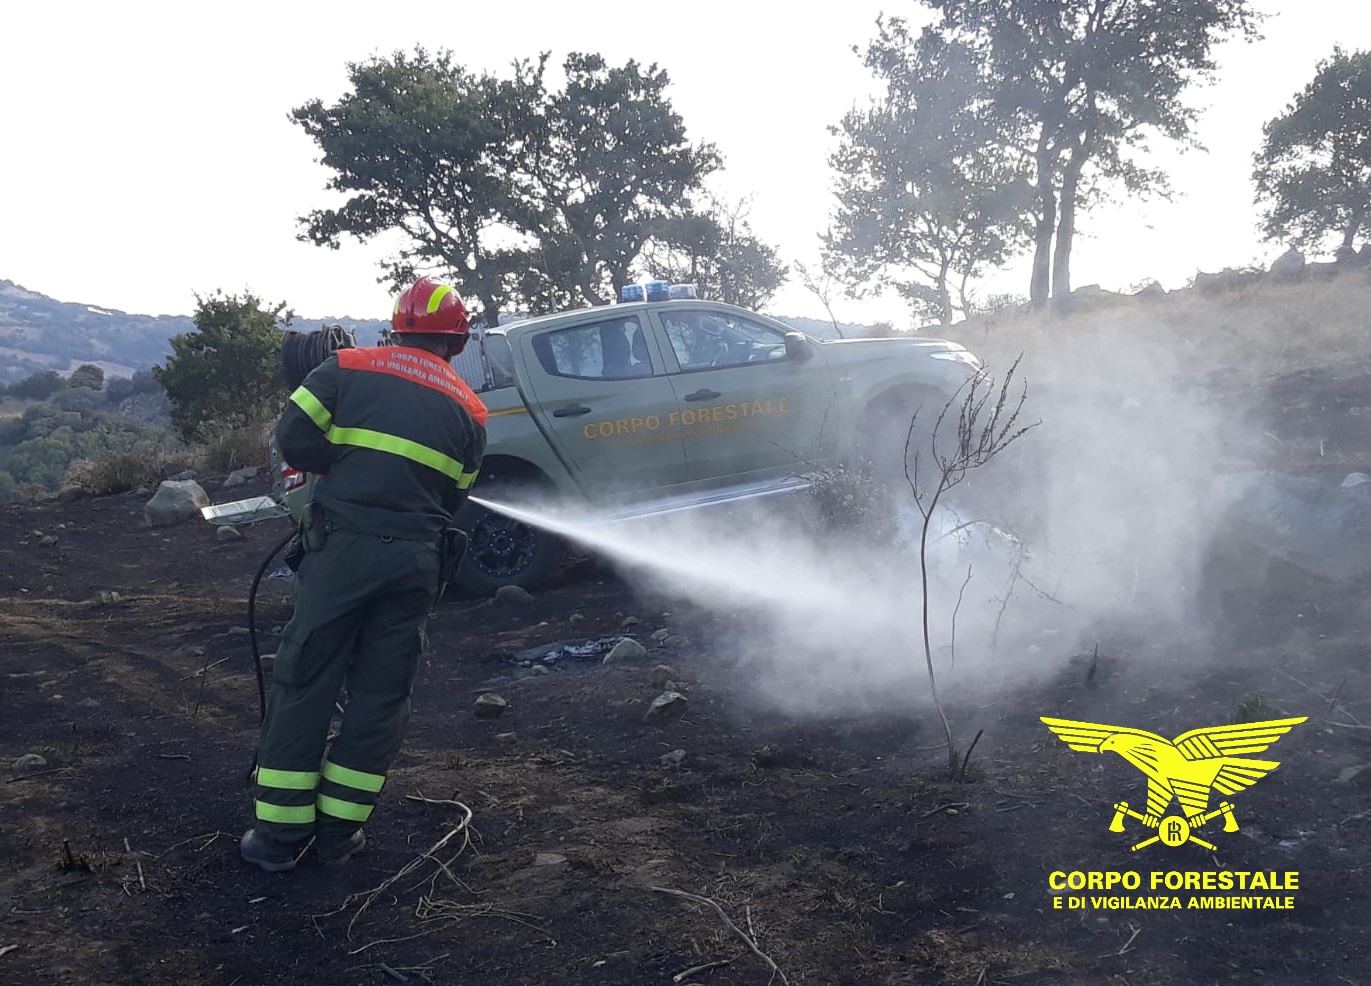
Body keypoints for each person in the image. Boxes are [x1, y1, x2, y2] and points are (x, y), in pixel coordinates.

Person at [240, 277, 488, 873]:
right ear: (457, 342)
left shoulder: (348, 365)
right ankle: (337, 836)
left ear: (396, 326)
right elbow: (454, 496)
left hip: (344, 551)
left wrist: (345, 472)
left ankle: (279, 838)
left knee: (307, 680)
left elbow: (292, 438)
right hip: (416, 563)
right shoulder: (471, 409)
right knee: (380, 695)